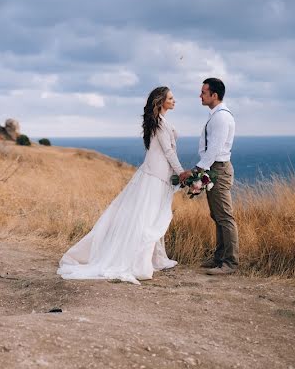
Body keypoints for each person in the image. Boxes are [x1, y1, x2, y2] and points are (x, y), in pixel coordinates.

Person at [58, 86, 184, 284]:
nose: (174, 100)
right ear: (160, 102)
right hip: (155, 176)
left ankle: (156, 258)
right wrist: (182, 172)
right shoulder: (159, 124)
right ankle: (139, 262)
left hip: (158, 175)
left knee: (153, 216)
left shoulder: (161, 122)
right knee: (148, 218)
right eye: (170, 98)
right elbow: (168, 152)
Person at [179, 77, 238, 275]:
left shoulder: (221, 117)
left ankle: (229, 263)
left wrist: (195, 171)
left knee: (225, 217)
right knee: (217, 215)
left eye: (203, 92)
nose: (200, 95)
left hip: (218, 169)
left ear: (214, 95)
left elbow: (213, 150)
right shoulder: (216, 115)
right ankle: (219, 258)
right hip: (213, 169)